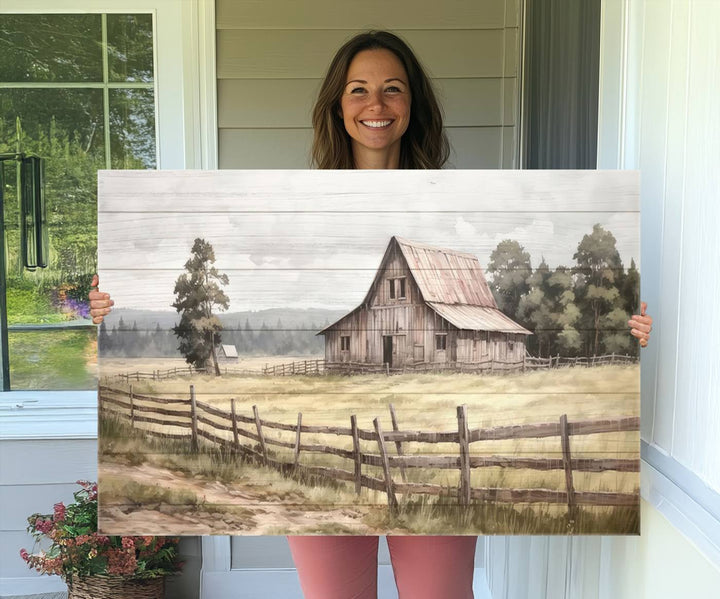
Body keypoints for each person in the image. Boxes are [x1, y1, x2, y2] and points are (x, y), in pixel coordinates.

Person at [89, 30, 653, 599]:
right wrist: (107, 313)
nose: (375, 105)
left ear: (413, 105)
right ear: (338, 105)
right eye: (358, 90)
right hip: (331, 467)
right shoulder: (294, 200)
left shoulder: (461, 200)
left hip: (431, 471)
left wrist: (629, 335)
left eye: (392, 89)